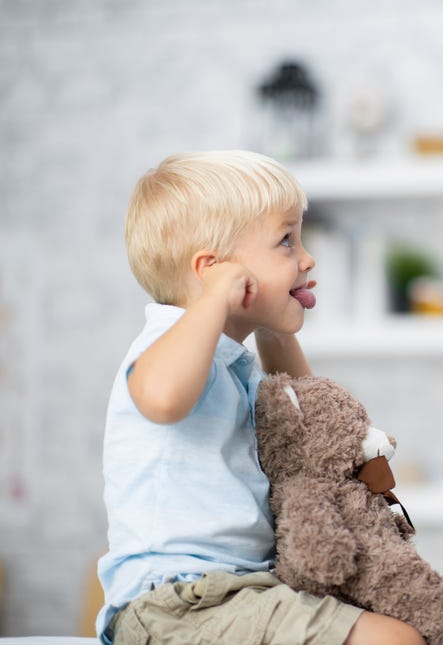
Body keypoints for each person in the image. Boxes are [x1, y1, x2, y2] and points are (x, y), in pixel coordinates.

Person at [97, 150, 424, 645]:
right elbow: (162, 399)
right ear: (213, 274)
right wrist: (214, 300)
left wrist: (275, 328)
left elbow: (311, 419)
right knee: (392, 641)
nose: (307, 258)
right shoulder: (169, 348)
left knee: (399, 621)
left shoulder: (233, 361)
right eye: (286, 241)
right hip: (177, 603)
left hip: (237, 592)